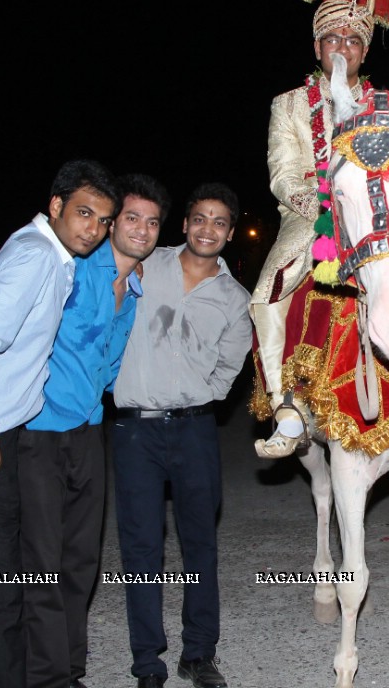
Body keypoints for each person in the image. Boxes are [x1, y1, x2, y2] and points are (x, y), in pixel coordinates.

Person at [0, 160, 118, 688]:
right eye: (84, 213)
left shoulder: (55, 256)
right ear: (55, 206)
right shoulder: (34, 255)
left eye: (103, 219)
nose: (93, 227)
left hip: (5, 430)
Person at [20, 174, 168, 688]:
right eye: (130, 218)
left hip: (88, 430)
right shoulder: (73, 270)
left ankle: (70, 670)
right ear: (110, 225)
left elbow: (107, 370)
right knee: (40, 562)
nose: (142, 230)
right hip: (37, 430)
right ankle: (45, 677)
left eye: (152, 222)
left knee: (80, 563)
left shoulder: (134, 291)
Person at [112, 183, 252, 688]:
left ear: (230, 232)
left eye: (219, 221)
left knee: (200, 546)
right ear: (185, 223)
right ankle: (147, 661)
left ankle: (199, 654)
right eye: (199, 218)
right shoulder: (148, 265)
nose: (207, 229)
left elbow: (229, 369)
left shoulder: (236, 299)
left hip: (194, 431)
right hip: (135, 432)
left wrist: (195, 396)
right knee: (141, 548)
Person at [251, 0, 376, 458]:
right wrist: (321, 202)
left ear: (364, 52)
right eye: (331, 39)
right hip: (310, 214)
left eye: (352, 40)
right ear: (317, 49)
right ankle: (287, 407)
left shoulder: (385, 103)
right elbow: (282, 173)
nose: (342, 48)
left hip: (378, 216)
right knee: (266, 293)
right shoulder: (288, 105)